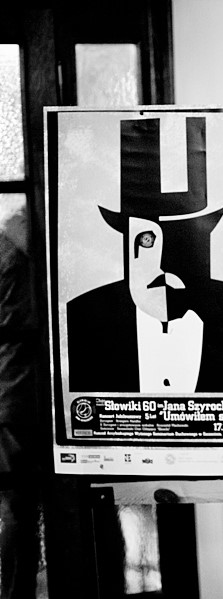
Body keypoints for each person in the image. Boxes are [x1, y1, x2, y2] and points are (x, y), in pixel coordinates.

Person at [66, 117, 223, 393]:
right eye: (147, 241)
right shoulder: (82, 320)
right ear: (127, 245)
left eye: (182, 241)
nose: (163, 266)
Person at [0, 232, 39, 599]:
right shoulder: (28, 250)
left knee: (17, 508)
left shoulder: (7, 250)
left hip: (13, 392)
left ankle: (16, 593)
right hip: (32, 392)